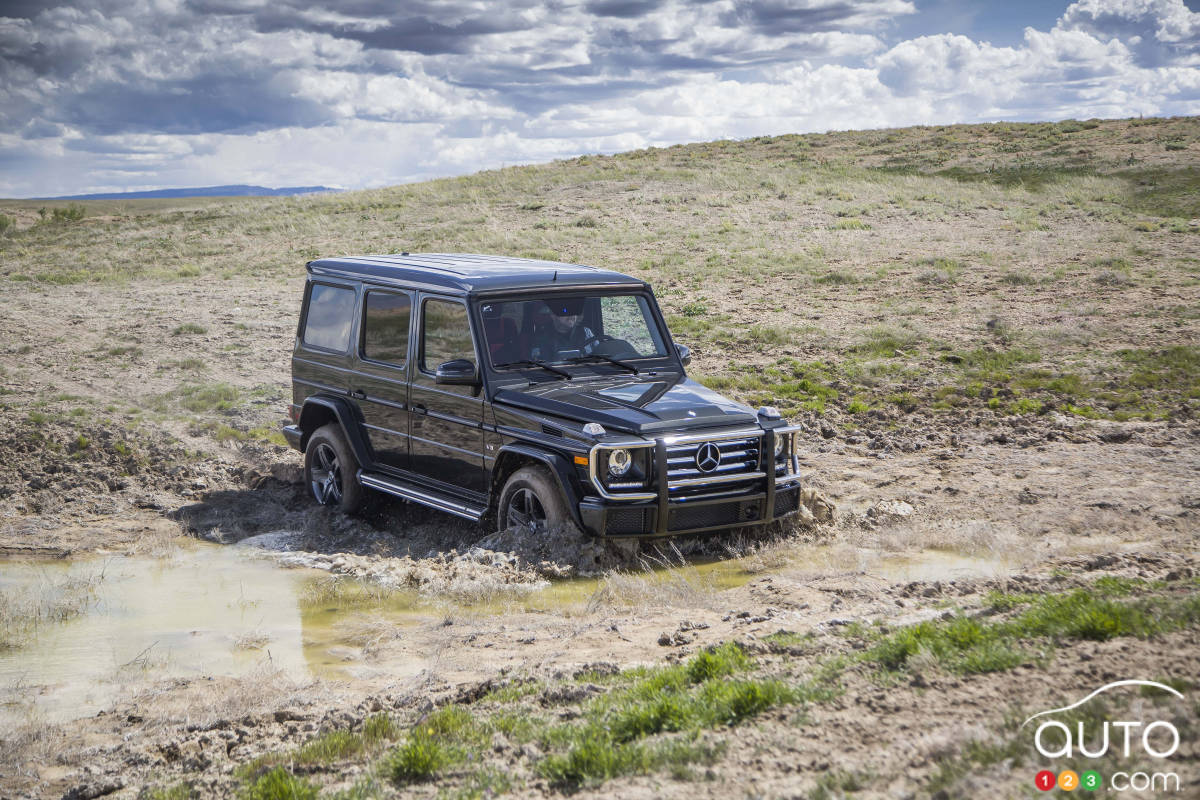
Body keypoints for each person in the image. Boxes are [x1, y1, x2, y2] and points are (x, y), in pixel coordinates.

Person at [530, 297, 595, 361]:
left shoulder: (586, 332)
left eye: (574, 311)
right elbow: (538, 364)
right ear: (552, 314)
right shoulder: (541, 337)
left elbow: (599, 354)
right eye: (565, 311)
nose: (572, 315)